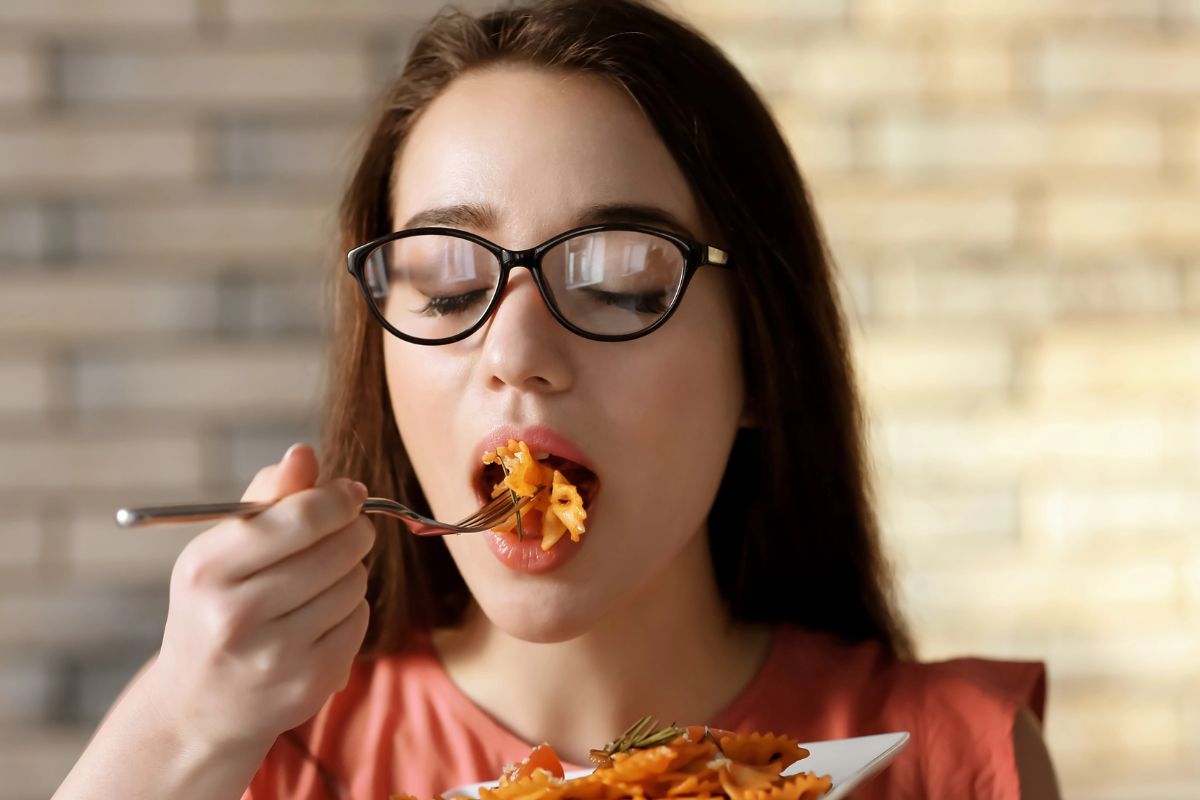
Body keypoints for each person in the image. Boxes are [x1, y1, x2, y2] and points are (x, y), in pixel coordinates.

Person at [54, 1, 1060, 798]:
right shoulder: (267, 756)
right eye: (449, 283)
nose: (516, 351)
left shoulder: (955, 759)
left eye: (620, 281)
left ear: (761, 358)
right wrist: (180, 724)